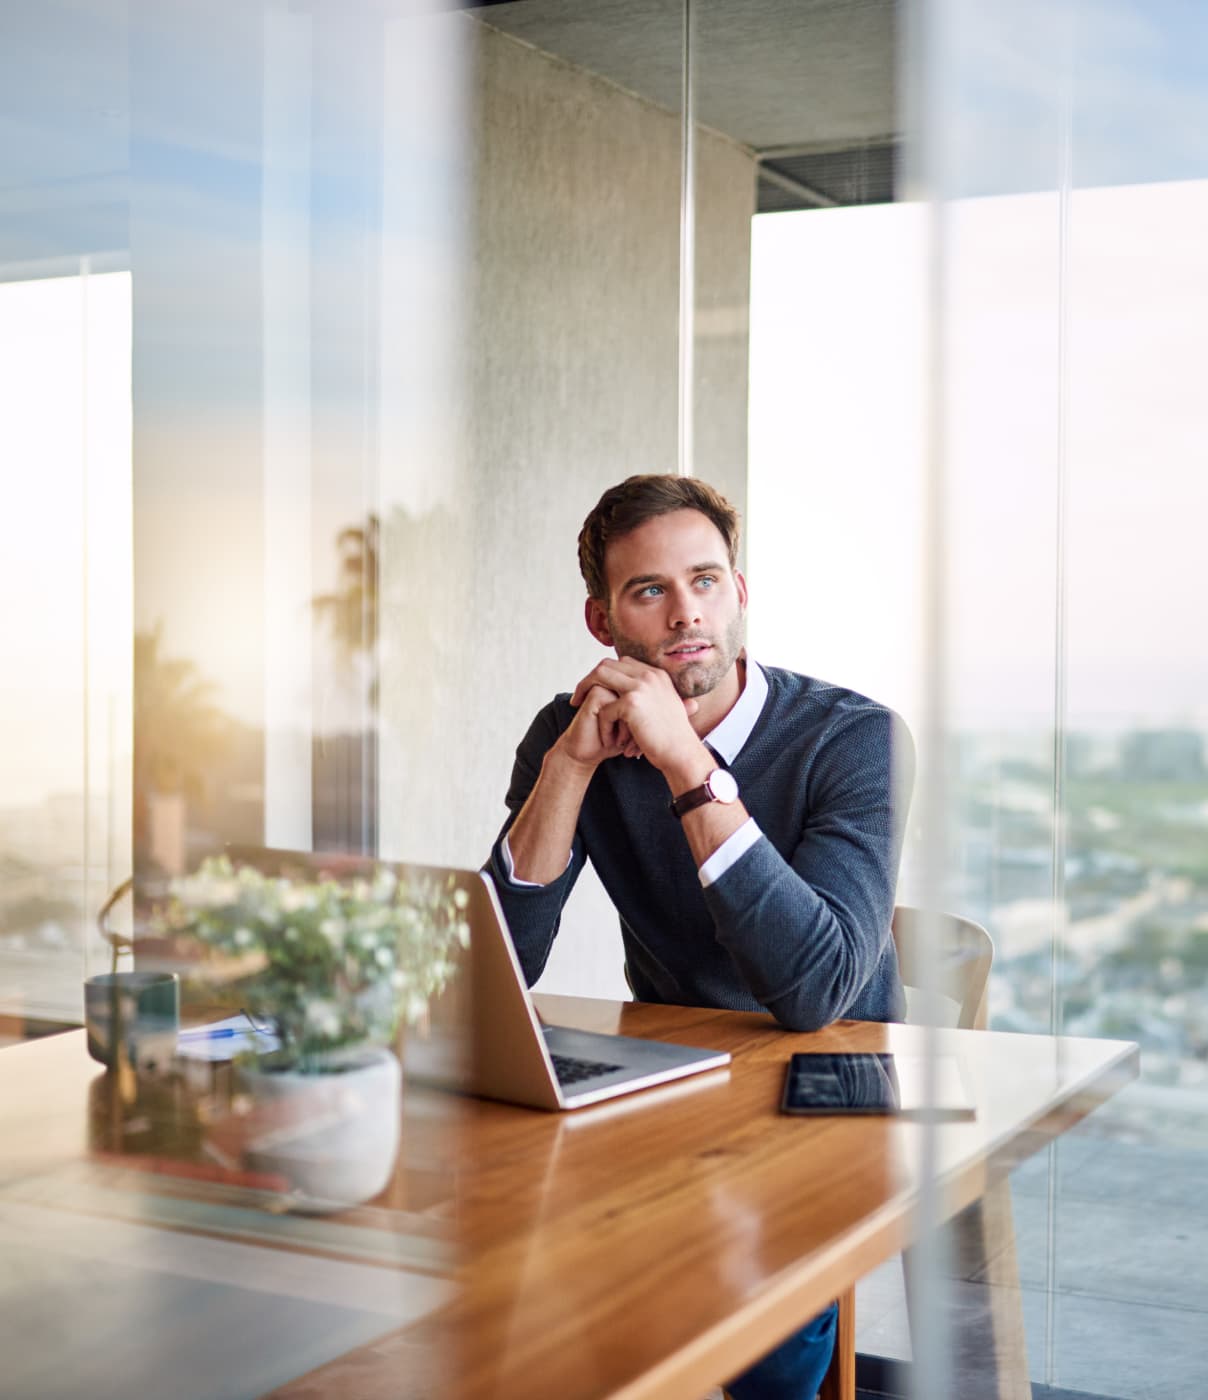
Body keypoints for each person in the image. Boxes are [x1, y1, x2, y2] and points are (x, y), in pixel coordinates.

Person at [487, 473, 913, 1399]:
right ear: (603, 623)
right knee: (510, 1252)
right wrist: (567, 767)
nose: (687, 614)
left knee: (758, 1302)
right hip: (679, 1082)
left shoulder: (856, 739)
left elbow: (815, 993)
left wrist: (687, 761)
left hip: (834, 1079)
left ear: (741, 591)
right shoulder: (571, 735)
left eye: (706, 580)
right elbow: (500, 967)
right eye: (650, 591)